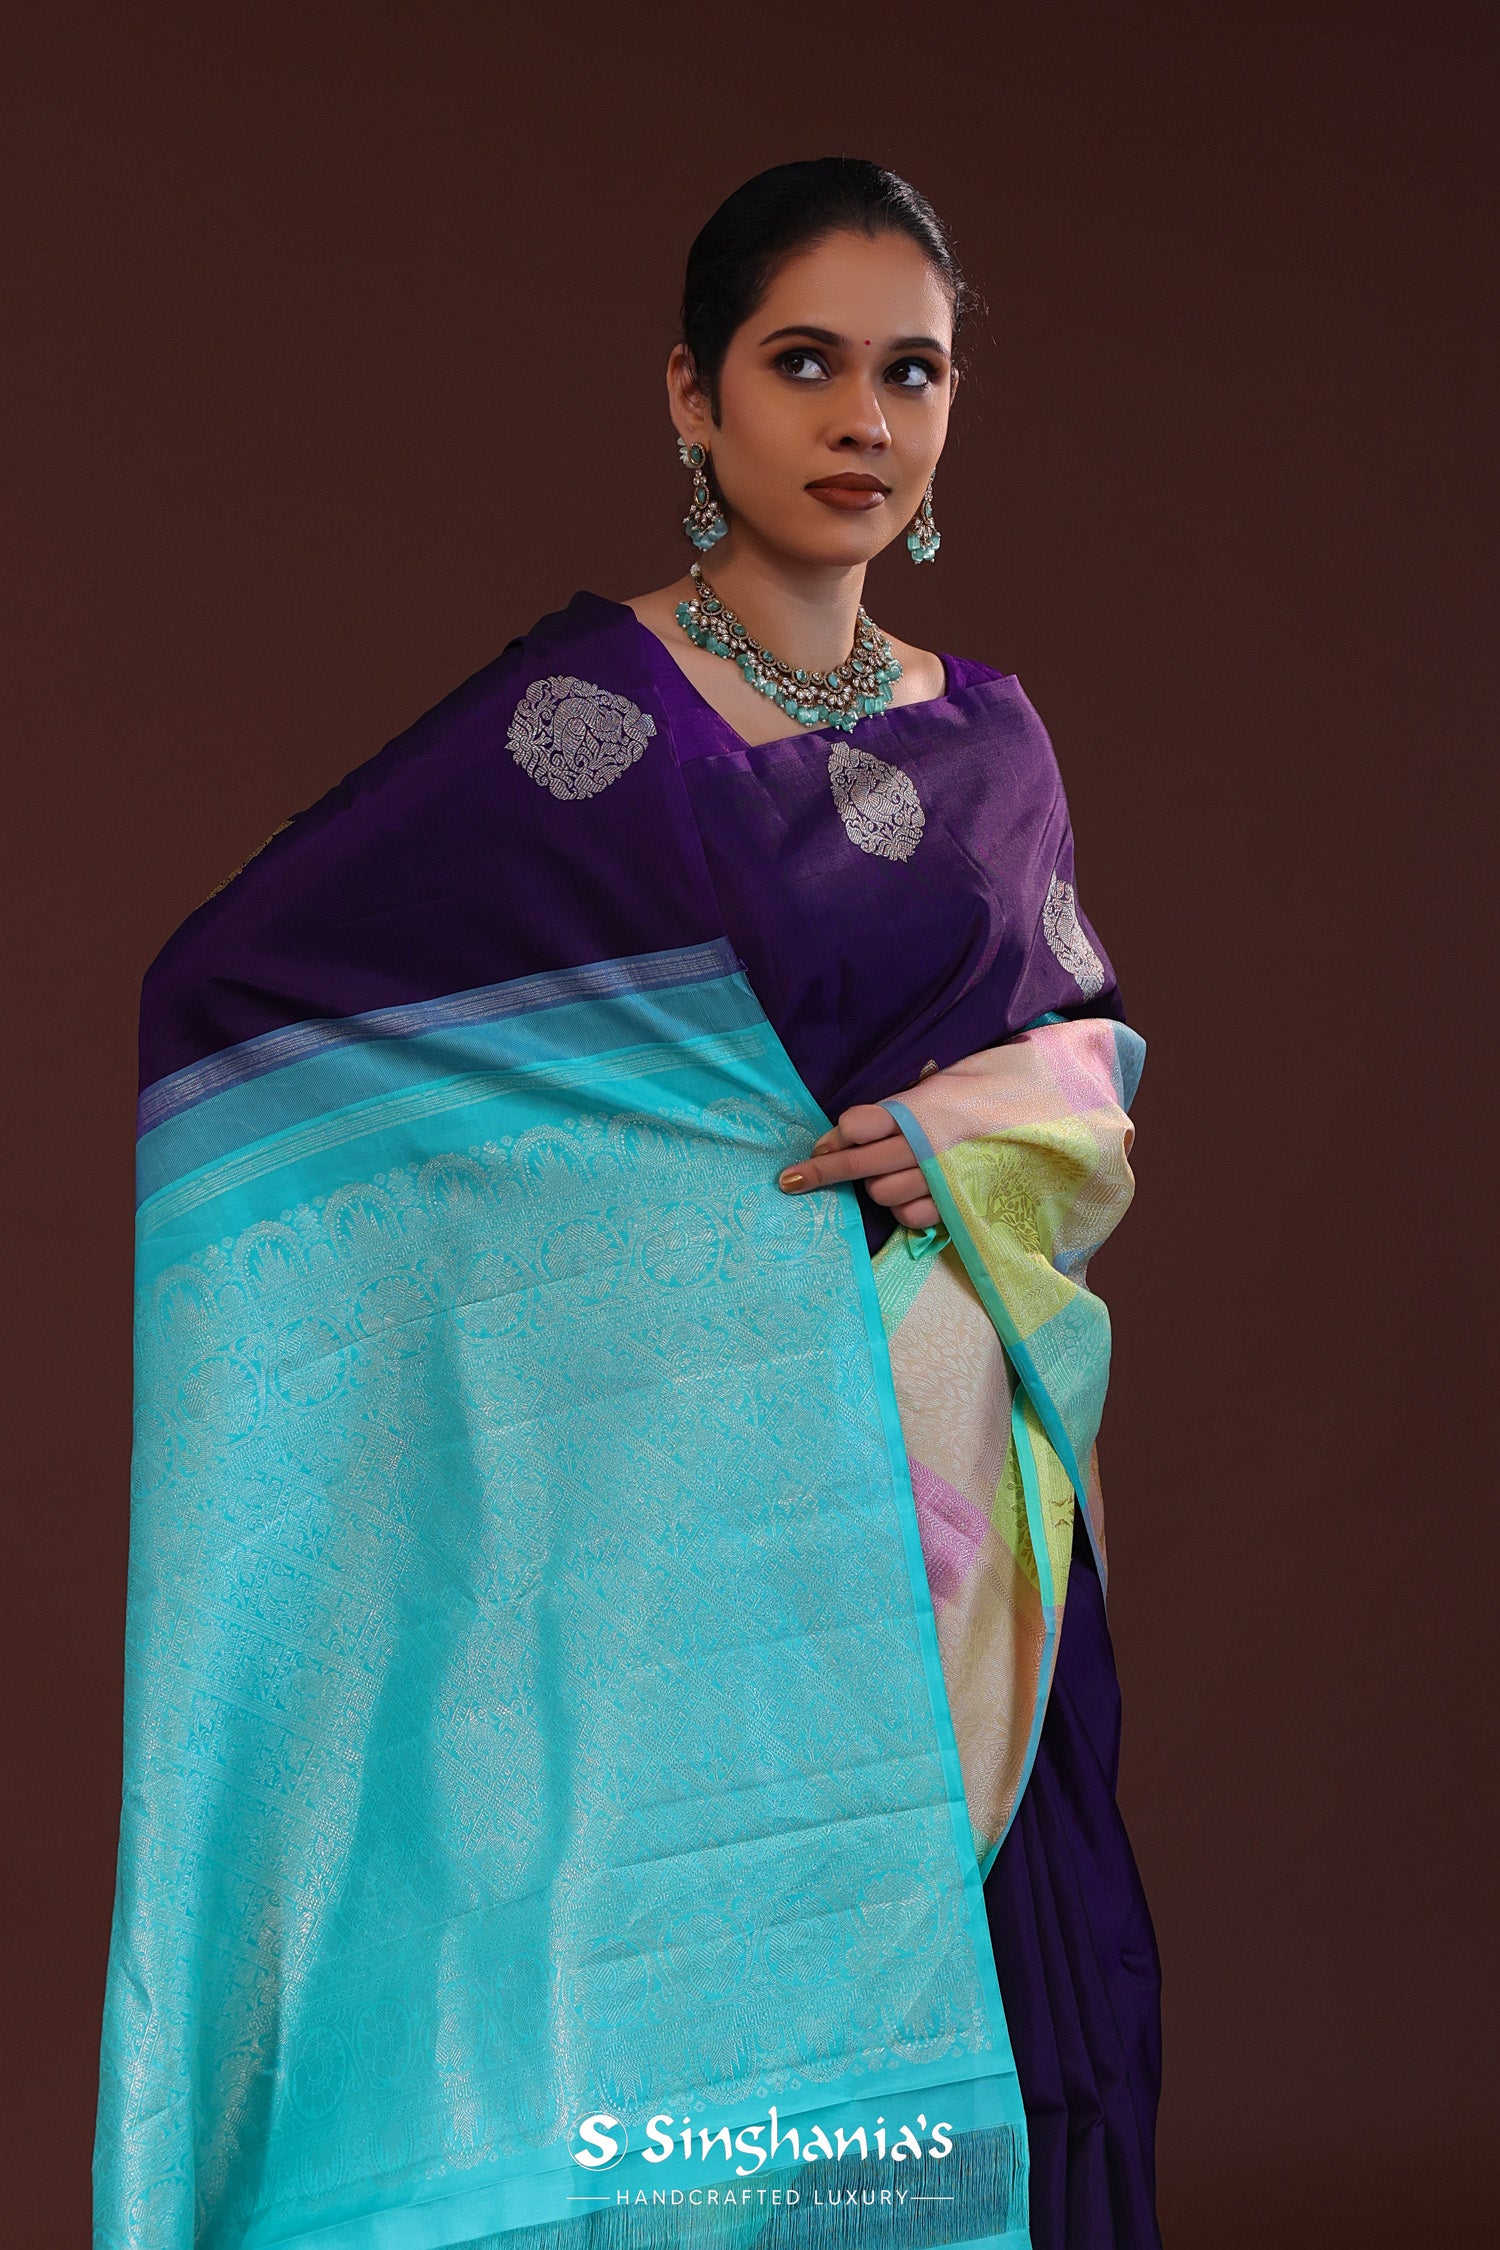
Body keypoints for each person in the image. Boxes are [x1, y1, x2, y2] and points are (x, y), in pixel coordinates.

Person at [96, 160, 1161, 2250]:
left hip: (954, 1501)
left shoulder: (995, 742)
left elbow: (1090, 1069)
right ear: (694, 396)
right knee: (669, 2034)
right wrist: (622, 1251)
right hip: (684, 1521)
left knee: (973, 2044)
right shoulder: (581, 728)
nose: (864, 420)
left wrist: (975, 1129)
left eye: (913, 373)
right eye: (805, 363)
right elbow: (248, 999)